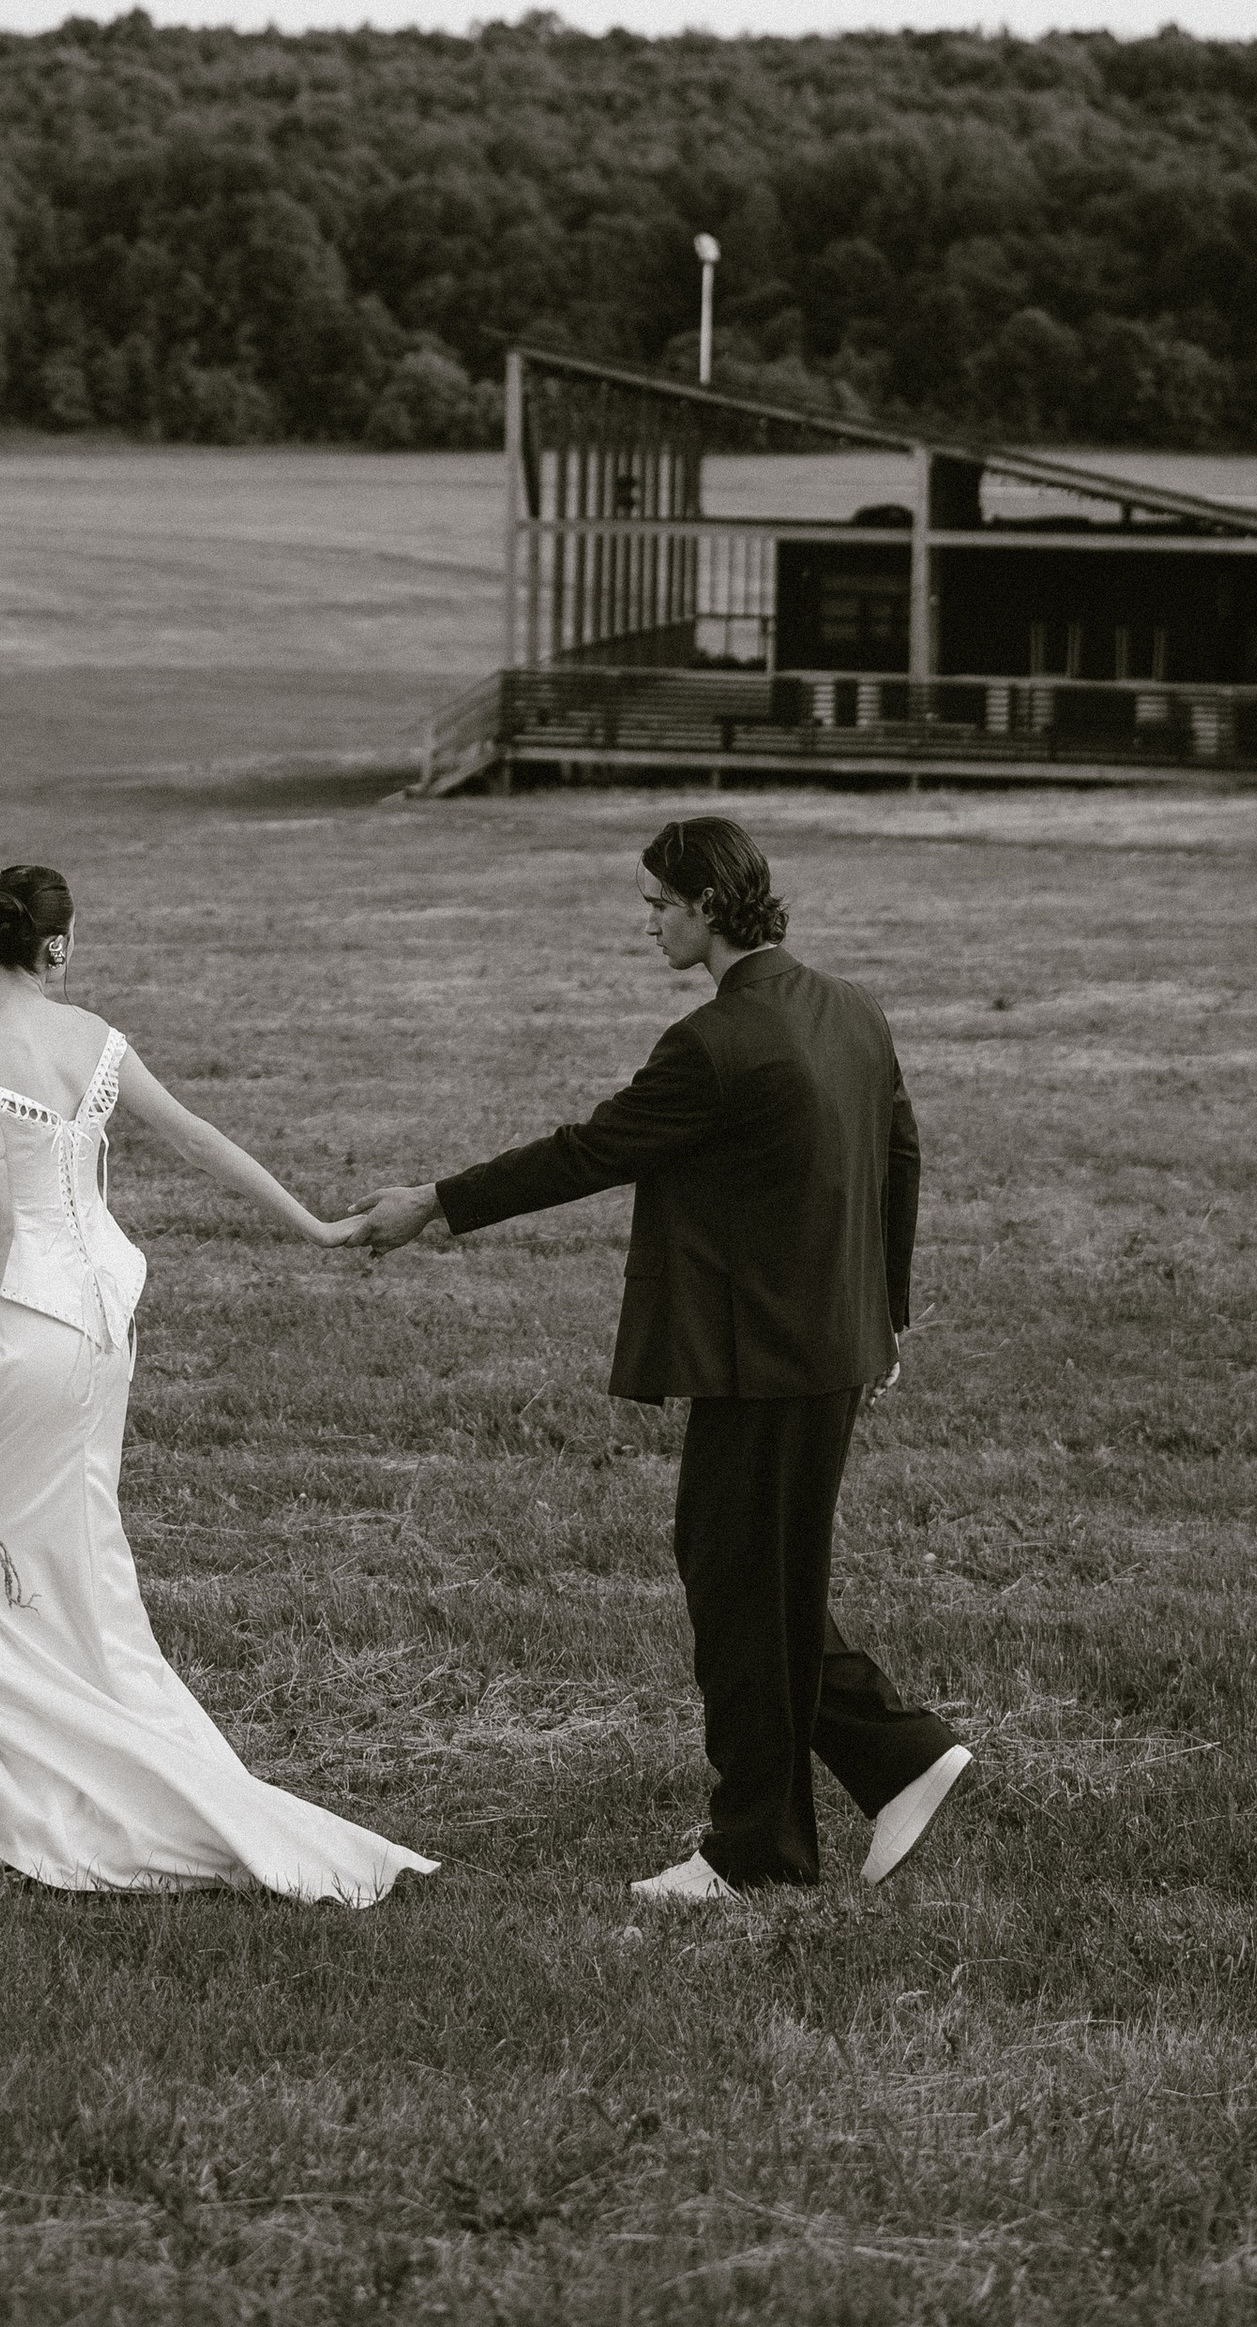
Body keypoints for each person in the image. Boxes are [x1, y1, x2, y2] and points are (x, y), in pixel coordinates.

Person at [350, 815, 967, 1904]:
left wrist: (435, 1202)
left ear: (708, 907)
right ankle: (893, 1761)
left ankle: (762, 1846)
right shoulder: (852, 1008)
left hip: (764, 1361)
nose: (646, 925)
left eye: (657, 905)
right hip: (831, 1349)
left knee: (738, 1587)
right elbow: (902, 1156)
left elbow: (589, 1152)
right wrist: (889, 1319)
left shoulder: (712, 1044)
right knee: (760, 1577)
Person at [0, 861, 434, 1907]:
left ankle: (56, 1813)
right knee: (78, 1565)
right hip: (106, 1332)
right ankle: (76, 1801)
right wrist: (317, 1227)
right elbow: (197, 1137)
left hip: (27, 1335)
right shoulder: (95, 1038)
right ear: (57, 945)